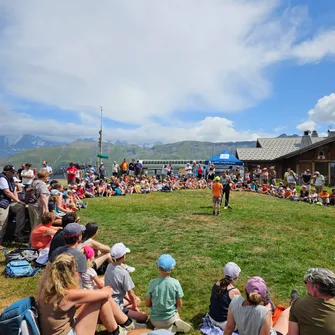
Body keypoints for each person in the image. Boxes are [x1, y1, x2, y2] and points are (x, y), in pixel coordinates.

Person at [38, 253, 128, 335]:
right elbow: (106, 293)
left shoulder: (47, 290)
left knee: (94, 299)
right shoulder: (69, 295)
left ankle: (121, 326)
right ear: (71, 275)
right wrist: (107, 287)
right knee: (100, 299)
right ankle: (118, 330)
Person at [225, 276, 289, 335]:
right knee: (285, 315)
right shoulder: (264, 313)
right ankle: (294, 303)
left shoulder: (235, 301)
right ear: (262, 296)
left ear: (245, 290)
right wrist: (268, 313)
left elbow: (229, 328)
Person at [146, 254, 191, 333]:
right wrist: (175, 309)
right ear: (172, 268)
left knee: (158, 321)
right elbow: (179, 304)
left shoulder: (152, 283)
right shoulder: (175, 283)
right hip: (169, 319)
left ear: (157, 267)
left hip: (154, 320)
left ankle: (159, 329)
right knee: (176, 313)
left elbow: (147, 304)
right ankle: (175, 322)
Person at [105, 243, 147, 322]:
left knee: (137, 300)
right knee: (143, 317)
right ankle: (124, 316)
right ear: (123, 257)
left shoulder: (109, 266)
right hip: (116, 306)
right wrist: (134, 307)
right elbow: (131, 293)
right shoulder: (123, 273)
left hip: (109, 301)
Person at [289, 267, 335, 335]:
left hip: (297, 305)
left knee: (286, 313)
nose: (305, 285)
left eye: (306, 282)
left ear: (315, 287)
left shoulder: (299, 304)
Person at [201, 262, 241, 333]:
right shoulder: (234, 291)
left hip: (212, 318)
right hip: (225, 324)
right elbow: (240, 310)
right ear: (236, 277)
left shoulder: (216, 284)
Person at [0, 165, 27, 248]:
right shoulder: (2, 178)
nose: (14, 174)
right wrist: (17, 201)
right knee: (2, 222)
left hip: (9, 201)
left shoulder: (11, 179)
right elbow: (7, 192)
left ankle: (18, 233)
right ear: (7, 172)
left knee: (20, 208)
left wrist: (18, 201)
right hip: (2, 202)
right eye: (12, 172)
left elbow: (14, 191)